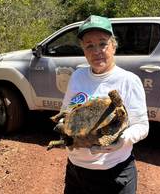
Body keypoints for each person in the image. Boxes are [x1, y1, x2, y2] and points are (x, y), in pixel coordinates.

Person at [61, 15, 149, 194]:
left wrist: (122, 140)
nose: (96, 51)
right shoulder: (77, 76)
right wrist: (64, 128)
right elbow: (65, 112)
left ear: (113, 46)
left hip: (115, 173)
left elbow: (142, 126)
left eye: (102, 43)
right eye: (89, 45)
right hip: (77, 171)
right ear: (83, 50)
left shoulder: (128, 81)